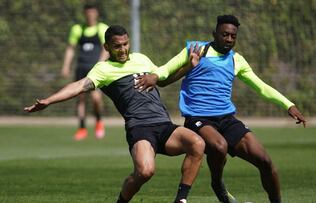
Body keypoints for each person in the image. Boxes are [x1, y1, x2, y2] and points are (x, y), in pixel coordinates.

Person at [134, 15, 306, 203]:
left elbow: (261, 86)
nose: (229, 39)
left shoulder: (236, 60)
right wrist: (154, 76)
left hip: (226, 118)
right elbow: (167, 68)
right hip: (198, 118)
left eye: (233, 36)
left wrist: (288, 104)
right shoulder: (196, 49)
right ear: (214, 34)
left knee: (265, 162)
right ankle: (217, 184)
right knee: (219, 145)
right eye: (225, 35)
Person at [24, 25, 205, 203]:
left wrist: (189, 66)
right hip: (140, 128)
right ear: (107, 47)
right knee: (145, 172)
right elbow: (78, 86)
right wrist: (49, 100)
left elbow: (163, 80)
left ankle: (181, 199)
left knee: (197, 144)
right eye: (117, 46)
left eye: (125, 44)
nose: (123, 49)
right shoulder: (103, 69)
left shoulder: (141, 59)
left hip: (164, 125)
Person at [61, 3, 109, 140]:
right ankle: (82, 128)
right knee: (80, 98)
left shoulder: (102, 28)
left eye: (92, 12)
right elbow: (70, 48)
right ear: (84, 13)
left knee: (96, 98)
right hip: (81, 68)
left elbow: (106, 49)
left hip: (95, 70)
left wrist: (100, 64)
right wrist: (66, 66)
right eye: (87, 12)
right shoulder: (77, 29)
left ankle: (99, 121)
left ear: (96, 13)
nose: (90, 14)